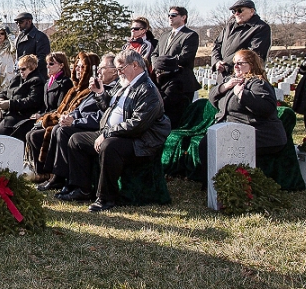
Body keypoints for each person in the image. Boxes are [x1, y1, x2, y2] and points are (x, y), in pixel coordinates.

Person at [60, 49, 171, 211]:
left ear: (135, 65)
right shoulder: (124, 84)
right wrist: (100, 93)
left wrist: (106, 134)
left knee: (109, 146)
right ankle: (81, 189)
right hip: (116, 133)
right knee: (76, 140)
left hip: (139, 141)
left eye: (121, 69)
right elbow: (108, 108)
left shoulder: (148, 90)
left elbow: (137, 125)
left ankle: (105, 198)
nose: (118, 73)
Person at [24, 52, 97, 182]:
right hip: (58, 119)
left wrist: (45, 119)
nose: (79, 70)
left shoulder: (73, 86)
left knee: (47, 133)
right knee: (30, 132)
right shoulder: (74, 89)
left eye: (82, 67)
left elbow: (77, 113)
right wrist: (42, 117)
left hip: (75, 125)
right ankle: (41, 171)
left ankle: (53, 174)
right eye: (77, 66)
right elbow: (61, 110)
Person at [208, 49, 286, 156]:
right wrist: (224, 87)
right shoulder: (232, 81)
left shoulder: (258, 83)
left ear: (251, 65)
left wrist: (242, 95)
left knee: (209, 146)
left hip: (260, 134)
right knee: (207, 144)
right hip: (233, 130)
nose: (235, 66)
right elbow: (212, 99)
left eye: (240, 63)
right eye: (234, 63)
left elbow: (267, 108)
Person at [152, 5, 200, 115]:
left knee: (176, 117)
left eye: (173, 15)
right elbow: (155, 54)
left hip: (180, 83)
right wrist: (157, 64)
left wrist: (161, 64)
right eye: (169, 15)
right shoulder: (164, 35)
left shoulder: (190, 35)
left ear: (183, 17)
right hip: (162, 81)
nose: (170, 17)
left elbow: (185, 58)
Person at [0, 54, 44, 138]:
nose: (21, 71)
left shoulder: (37, 81)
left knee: (0, 131)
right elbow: (5, 91)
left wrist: (10, 104)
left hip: (21, 114)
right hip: (7, 112)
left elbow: (32, 101)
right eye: (19, 69)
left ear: (32, 68)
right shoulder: (17, 78)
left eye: (23, 69)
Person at [211, 0, 271, 75]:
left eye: (240, 10)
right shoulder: (229, 26)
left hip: (244, 75)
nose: (236, 13)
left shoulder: (261, 28)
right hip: (223, 73)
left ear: (252, 11)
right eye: (234, 11)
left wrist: (226, 65)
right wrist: (217, 62)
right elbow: (217, 44)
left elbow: (253, 53)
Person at [152, 56, 192, 129]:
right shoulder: (161, 81)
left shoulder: (176, 83)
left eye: (159, 72)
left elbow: (164, 102)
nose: (156, 74)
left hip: (170, 120)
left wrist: (153, 88)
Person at [14, 12, 50, 82]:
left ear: (29, 21)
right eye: (17, 22)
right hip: (22, 75)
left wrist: (27, 68)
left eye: (21, 22)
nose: (18, 24)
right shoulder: (19, 37)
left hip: (36, 77)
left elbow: (43, 59)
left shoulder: (40, 37)